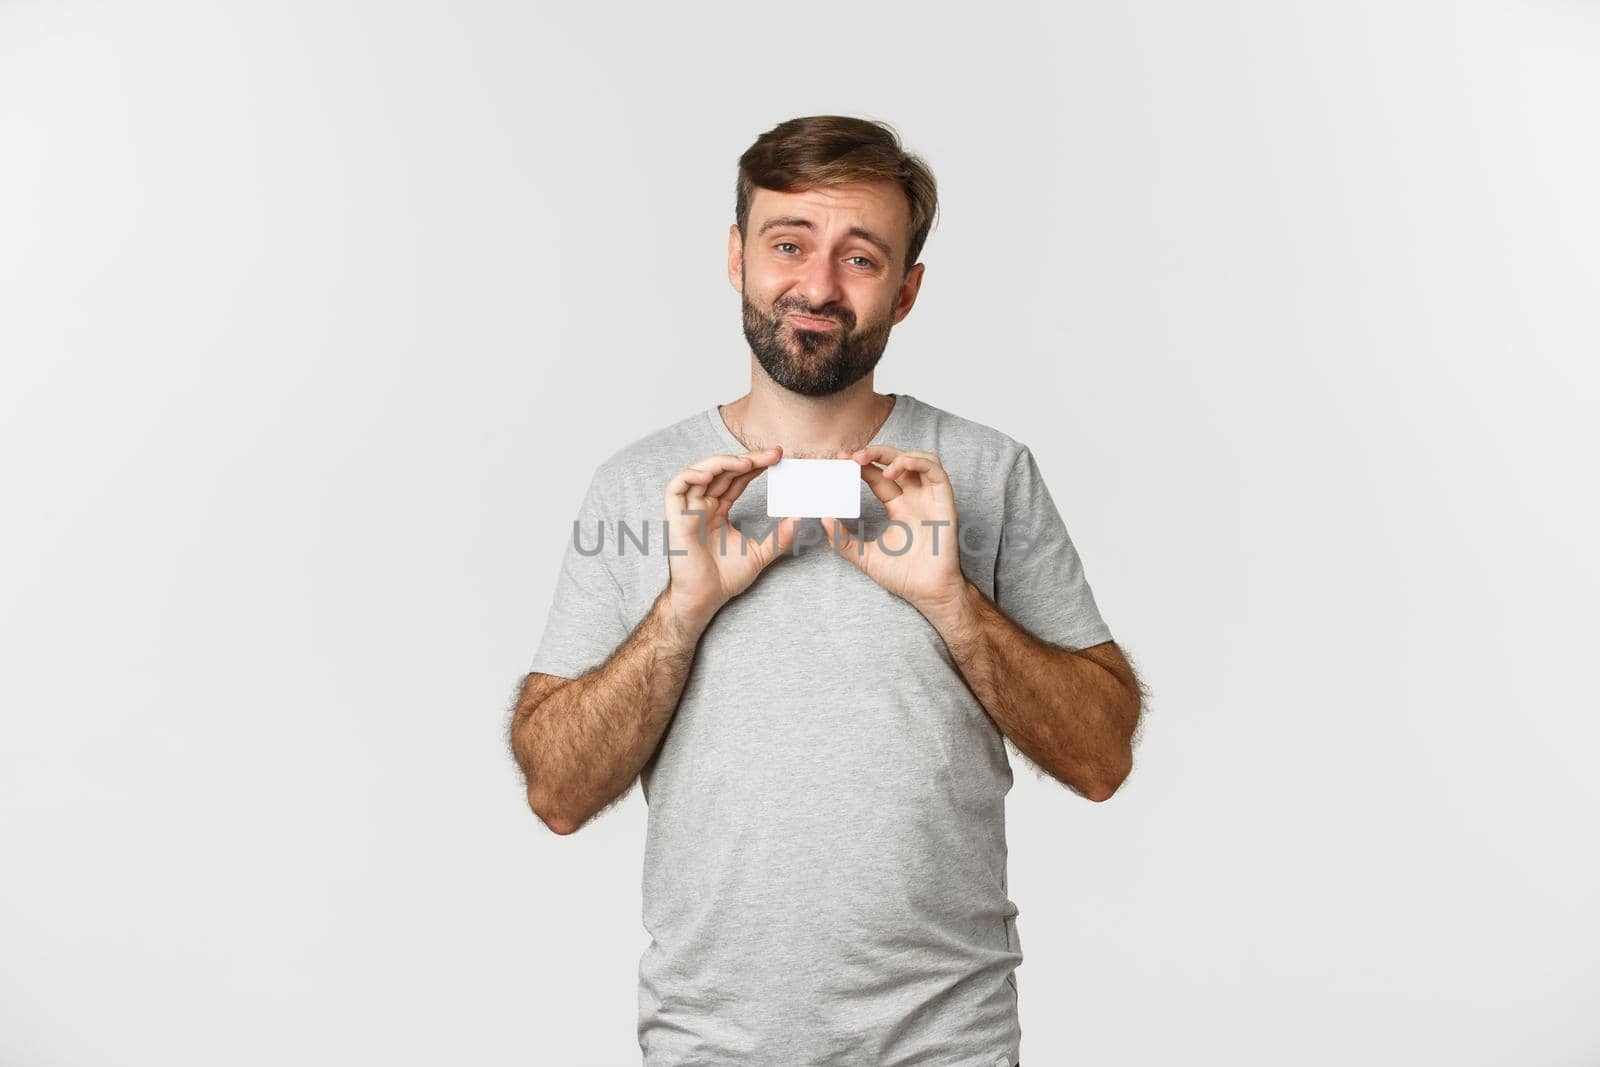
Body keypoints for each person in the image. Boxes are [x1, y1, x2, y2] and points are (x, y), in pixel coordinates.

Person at [507, 115, 1144, 1067]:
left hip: (947, 1043)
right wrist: (682, 611)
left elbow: (1100, 758)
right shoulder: (639, 486)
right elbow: (557, 791)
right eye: (789, 244)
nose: (817, 286)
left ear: (908, 288)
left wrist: (952, 604)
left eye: (861, 257)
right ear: (736, 257)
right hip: (710, 1046)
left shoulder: (988, 472)